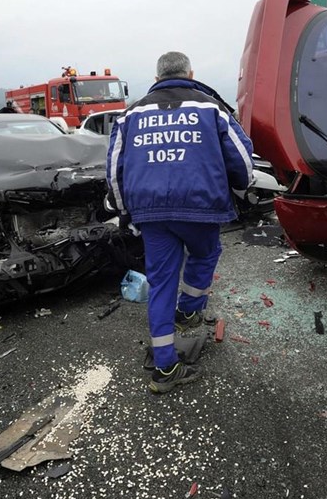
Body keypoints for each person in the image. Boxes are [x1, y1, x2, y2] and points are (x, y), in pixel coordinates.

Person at [106, 51, 254, 394]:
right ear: (190, 73)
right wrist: (239, 187)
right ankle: (189, 310)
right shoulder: (211, 107)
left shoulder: (131, 114)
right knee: (204, 255)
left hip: (151, 214)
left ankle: (165, 367)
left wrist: (123, 209)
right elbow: (243, 161)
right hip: (200, 207)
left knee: (160, 282)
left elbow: (115, 169)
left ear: (157, 78)